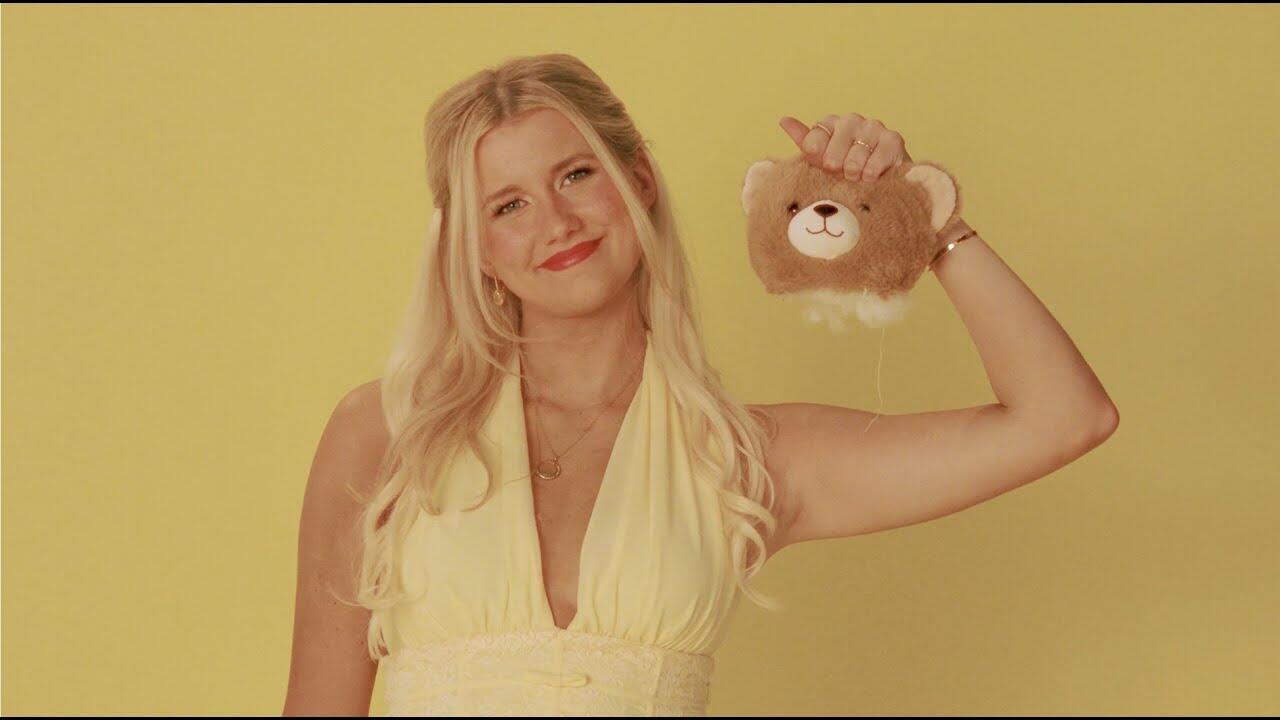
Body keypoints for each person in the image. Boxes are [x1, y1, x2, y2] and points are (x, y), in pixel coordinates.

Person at [282, 53, 1119, 716]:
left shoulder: (747, 458)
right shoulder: (385, 433)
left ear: (638, 180)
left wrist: (929, 218)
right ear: (473, 248)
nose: (557, 223)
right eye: (508, 205)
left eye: (575, 175)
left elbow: (1065, 418)